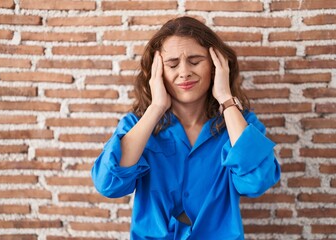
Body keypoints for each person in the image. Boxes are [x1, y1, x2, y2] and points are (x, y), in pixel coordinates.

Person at [91, 16, 280, 239]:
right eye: (172, 64)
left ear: (215, 65)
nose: (184, 72)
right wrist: (156, 107)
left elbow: (256, 182)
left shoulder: (240, 123)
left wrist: (225, 99)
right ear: (157, 71)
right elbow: (108, 184)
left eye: (195, 60)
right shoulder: (137, 125)